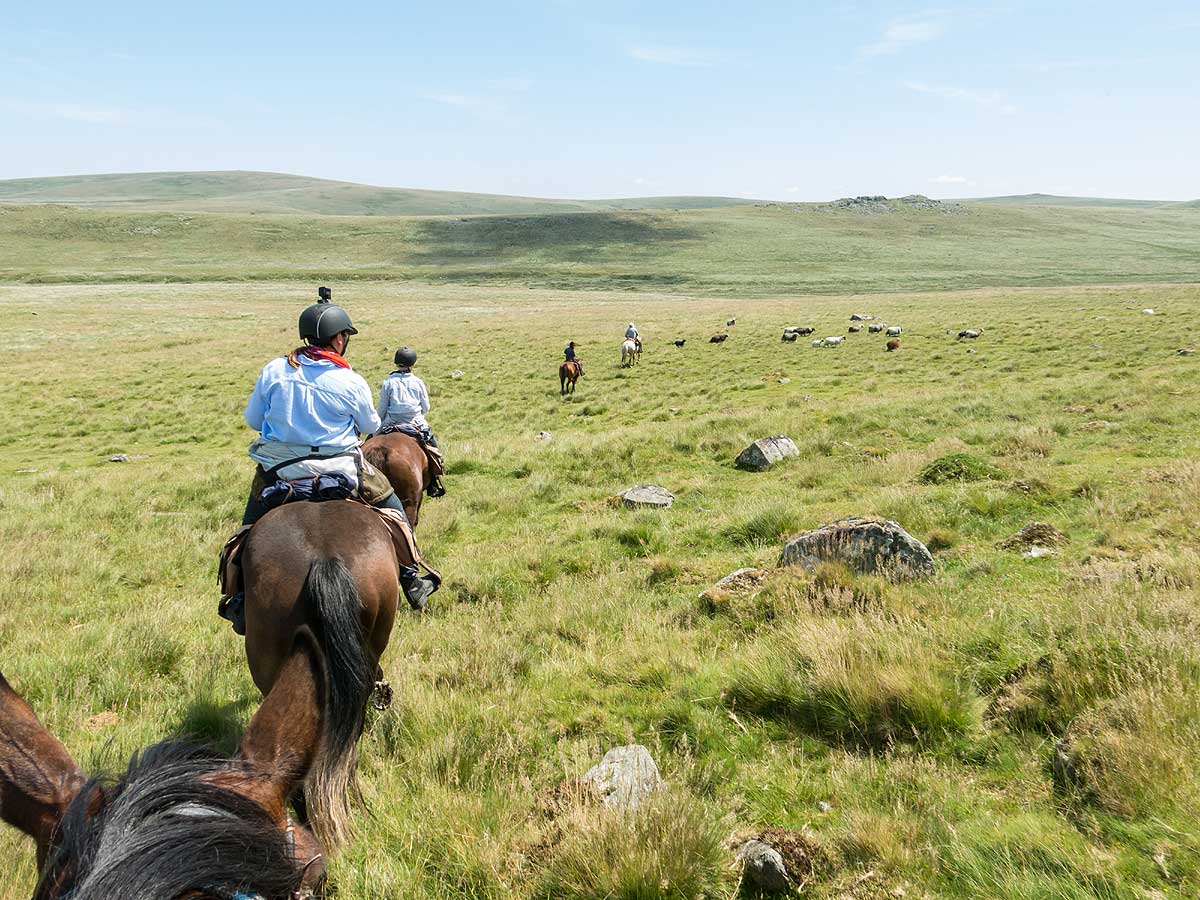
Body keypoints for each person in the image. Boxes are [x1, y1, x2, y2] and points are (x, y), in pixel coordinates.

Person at [226, 294, 437, 619]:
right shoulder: (349, 379)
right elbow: (371, 424)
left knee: (248, 527)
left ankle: (238, 596)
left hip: (281, 470)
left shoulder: (274, 370)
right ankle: (410, 577)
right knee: (394, 508)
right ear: (339, 339)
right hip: (343, 468)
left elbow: (254, 420)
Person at [377, 346, 446, 496]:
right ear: (413, 363)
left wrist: (379, 423)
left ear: (396, 362)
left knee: (371, 442)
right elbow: (426, 407)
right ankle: (435, 481)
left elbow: (382, 408)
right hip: (416, 423)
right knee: (433, 446)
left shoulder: (388, 382)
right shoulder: (418, 382)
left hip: (391, 422)